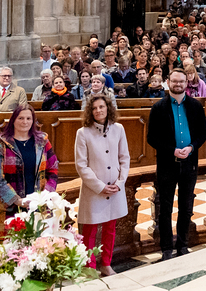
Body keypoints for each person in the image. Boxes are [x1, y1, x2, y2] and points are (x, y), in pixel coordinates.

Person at [147, 68, 206, 260]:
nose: (178, 84)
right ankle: (166, 248)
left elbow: (203, 133)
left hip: (189, 163)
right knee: (165, 208)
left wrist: (191, 147)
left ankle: (182, 245)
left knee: (186, 207)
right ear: (168, 82)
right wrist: (172, 150)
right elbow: (152, 138)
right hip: (167, 164)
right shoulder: (159, 108)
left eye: (181, 81)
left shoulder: (195, 106)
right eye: (174, 81)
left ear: (186, 83)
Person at [75, 94, 130, 277]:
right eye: (94, 108)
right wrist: (99, 186)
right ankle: (90, 267)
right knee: (90, 230)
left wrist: (120, 183)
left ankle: (106, 264)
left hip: (115, 188)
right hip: (94, 190)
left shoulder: (119, 129)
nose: (98, 110)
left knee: (110, 229)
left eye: (101, 107)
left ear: (108, 108)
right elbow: (81, 165)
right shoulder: (83, 133)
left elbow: (124, 158)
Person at [0, 104, 59, 243]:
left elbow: (53, 169)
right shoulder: (1, 144)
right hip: (9, 207)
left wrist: (45, 196)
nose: (25, 122)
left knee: (40, 248)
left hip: (39, 206)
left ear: (33, 121)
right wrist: (17, 200)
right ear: (13, 120)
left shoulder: (42, 141)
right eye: (20, 118)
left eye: (28, 118)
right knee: (11, 249)